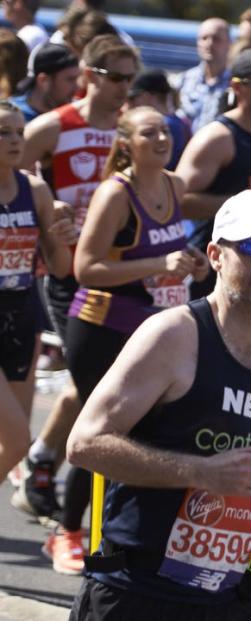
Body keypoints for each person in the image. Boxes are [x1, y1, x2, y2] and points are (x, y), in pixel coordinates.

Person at [63, 190, 251, 619]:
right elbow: (84, 443)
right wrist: (201, 472)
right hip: (140, 591)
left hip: (232, 596)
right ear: (215, 255)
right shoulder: (173, 336)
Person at [54, 106, 209, 576]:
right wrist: (158, 266)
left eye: (166, 131)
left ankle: (127, 533)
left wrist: (193, 264)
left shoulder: (174, 185)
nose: (162, 139)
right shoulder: (115, 193)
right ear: (126, 143)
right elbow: (86, 269)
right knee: (106, 429)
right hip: (101, 327)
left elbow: (169, 254)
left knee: (146, 431)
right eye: (149, 133)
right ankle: (66, 532)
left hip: (150, 328)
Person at [13, 34, 130, 531]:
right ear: (90, 75)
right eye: (117, 78)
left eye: (131, 79)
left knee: (99, 382)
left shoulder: (131, 129)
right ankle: (59, 499)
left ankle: (41, 459)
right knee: (96, 383)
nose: (126, 89)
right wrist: (44, 210)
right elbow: (12, 178)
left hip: (117, 270)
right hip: (66, 271)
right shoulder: (53, 127)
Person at [176, 49, 251, 303]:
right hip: (219, 267)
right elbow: (176, 201)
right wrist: (244, 202)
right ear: (238, 87)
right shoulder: (218, 137)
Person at [0, 100, 73, 485]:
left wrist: (62, 237)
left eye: (19, 132)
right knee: (16, 440)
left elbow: (60, 268)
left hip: (21, 317)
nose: (15, 140)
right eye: (4, 132)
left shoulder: (36, 190)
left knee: (12, 444)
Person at [172, 18, 230, 133]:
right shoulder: (182, 81)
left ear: (229, 43)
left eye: (216, 39)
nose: (209, 43)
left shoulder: (236, 84)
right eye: (204, 38)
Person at [126, 69, 192, 170]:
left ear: (146, 97)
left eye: (132, 99)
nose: (128, 105)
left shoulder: (166, 125)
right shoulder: (181, 123)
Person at [11, 43, 80, 122]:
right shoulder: (10, 116)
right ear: (43, 80)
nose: (77, 87)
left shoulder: (79, 115)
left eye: (76, 78)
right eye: (70, 79)